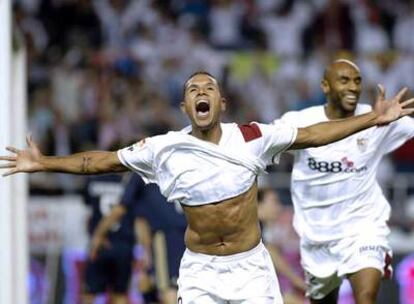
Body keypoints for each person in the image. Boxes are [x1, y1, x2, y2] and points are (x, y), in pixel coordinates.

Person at [1, 71, 413, 303]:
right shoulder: (164, 148)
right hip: (200, 271)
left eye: (209, 88)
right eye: (193, 90)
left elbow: (314, 133)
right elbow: (99, 161)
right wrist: (44, 163)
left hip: (251, 268)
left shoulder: (253, 137)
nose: (201, 92)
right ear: (185, 107)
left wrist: (371, 120)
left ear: (221, 104)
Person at [278, 59, 414, 304]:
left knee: (366, 296)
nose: (353, 87)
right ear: (325, 86)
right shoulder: (297, 121)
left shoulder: (381, 117)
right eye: (344, 80)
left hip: (362, 228)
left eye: (357, 80)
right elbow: (264, 145)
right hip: (317, 236)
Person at [91, 173, 187, 304]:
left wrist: (98, 234)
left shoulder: (140, 170)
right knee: (147, 283)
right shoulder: (170, 166)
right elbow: (142, 219)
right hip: (189, 231)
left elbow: (120, 208)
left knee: (169, 288)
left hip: (166, 234)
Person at [80, 172, 135, 304]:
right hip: (123, 244)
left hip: (99, 245)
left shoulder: (92, 181)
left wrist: (95, 236)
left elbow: (87, 211)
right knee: (120, 294)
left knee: (89, 294)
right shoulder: (129, 183)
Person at [257, 187, 306, 304]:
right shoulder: (254, 238)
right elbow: (279, 263)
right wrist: (301, 284)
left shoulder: (262, 233)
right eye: (274, 202)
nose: (279, 208)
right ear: (257, 205)